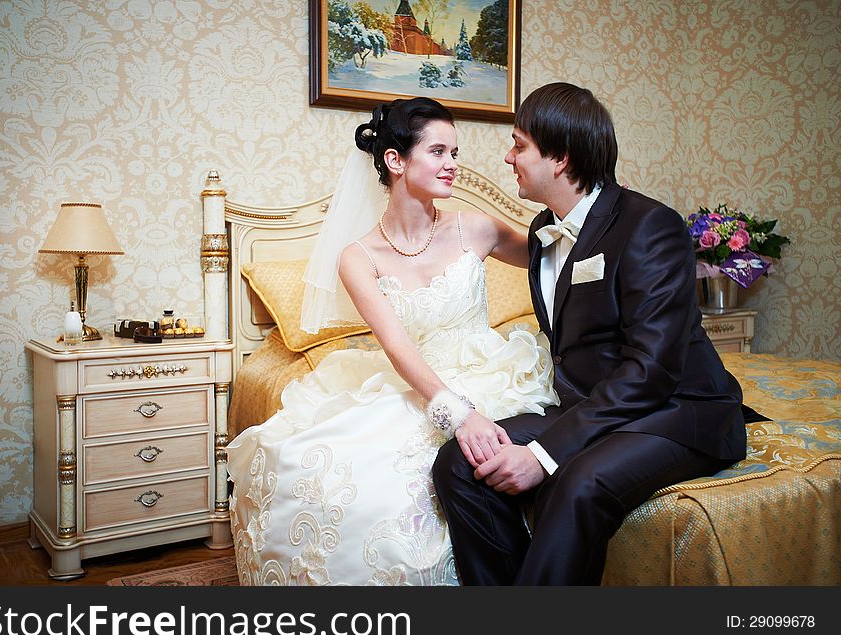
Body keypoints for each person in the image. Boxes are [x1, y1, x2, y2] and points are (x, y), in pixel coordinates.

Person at [226, 97, 559, 586]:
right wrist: (457, 413)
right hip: (417, 381)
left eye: (455, 152)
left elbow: (554, 260)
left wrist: (604, 227)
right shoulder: (358, 257)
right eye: (439, 152)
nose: (454, 165)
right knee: (330, 472)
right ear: (395, 161)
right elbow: (398, 346)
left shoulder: (477, 227)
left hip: (493, 369)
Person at [432, 82, 748, 585]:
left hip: (677, 409)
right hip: (596, 407)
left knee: (576, 480)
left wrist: (542, 453)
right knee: (459, 462)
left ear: (558, 158)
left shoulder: (650, 225)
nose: (508, 156)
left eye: (519, 145)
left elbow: (653, 369)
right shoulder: (542, 231)